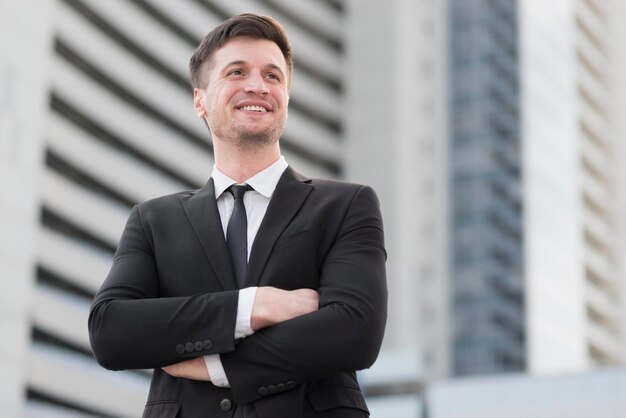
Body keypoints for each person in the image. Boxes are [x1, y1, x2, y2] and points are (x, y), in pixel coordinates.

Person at [88, 13, 387, 418]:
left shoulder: (346, 206)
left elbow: (355, 332)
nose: (257, 86)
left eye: (273, 76)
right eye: (237, 71)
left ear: (286, 98)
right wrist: (254, 307)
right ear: (200, 101)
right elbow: (112, 331)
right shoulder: (152, 221)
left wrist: (217, 365)